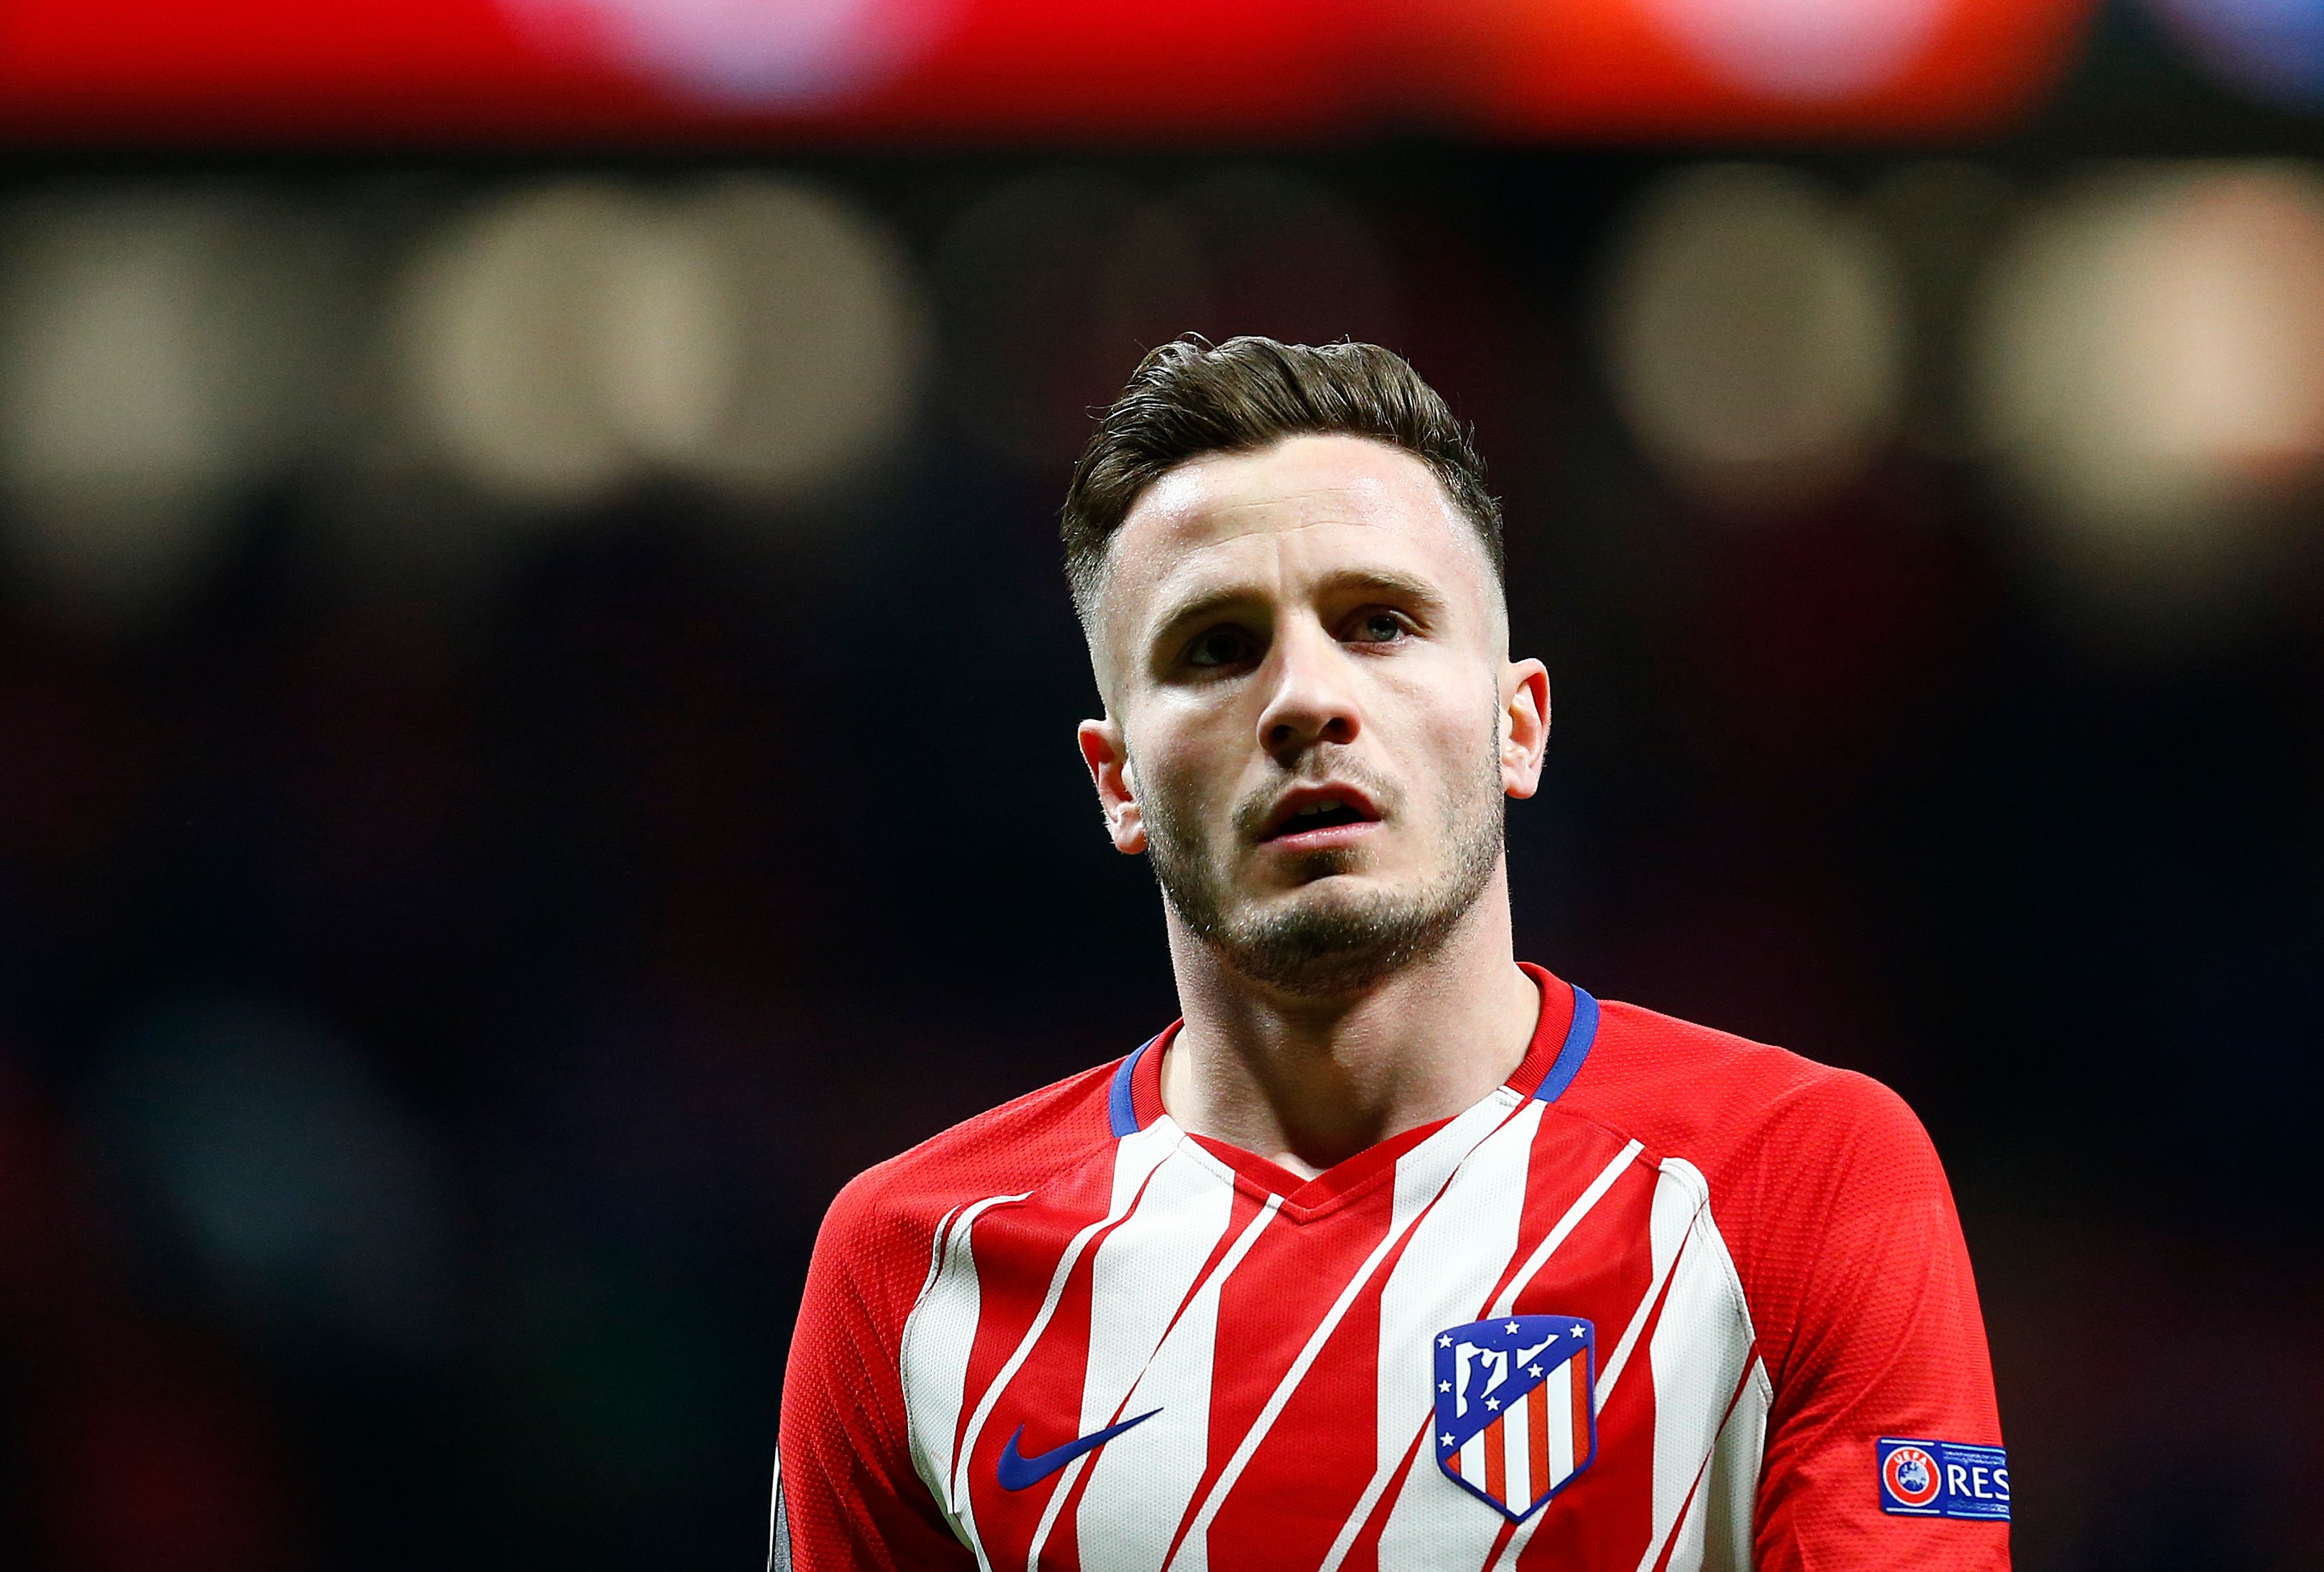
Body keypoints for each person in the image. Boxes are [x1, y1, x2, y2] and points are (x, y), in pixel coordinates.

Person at [769, 338, 2006, 1571]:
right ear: (1118, 782)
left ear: (1516, 726)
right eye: (1214, 646)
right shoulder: (907, 1275)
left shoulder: (1795, 1182)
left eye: (1379, 622)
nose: (1305, 697)